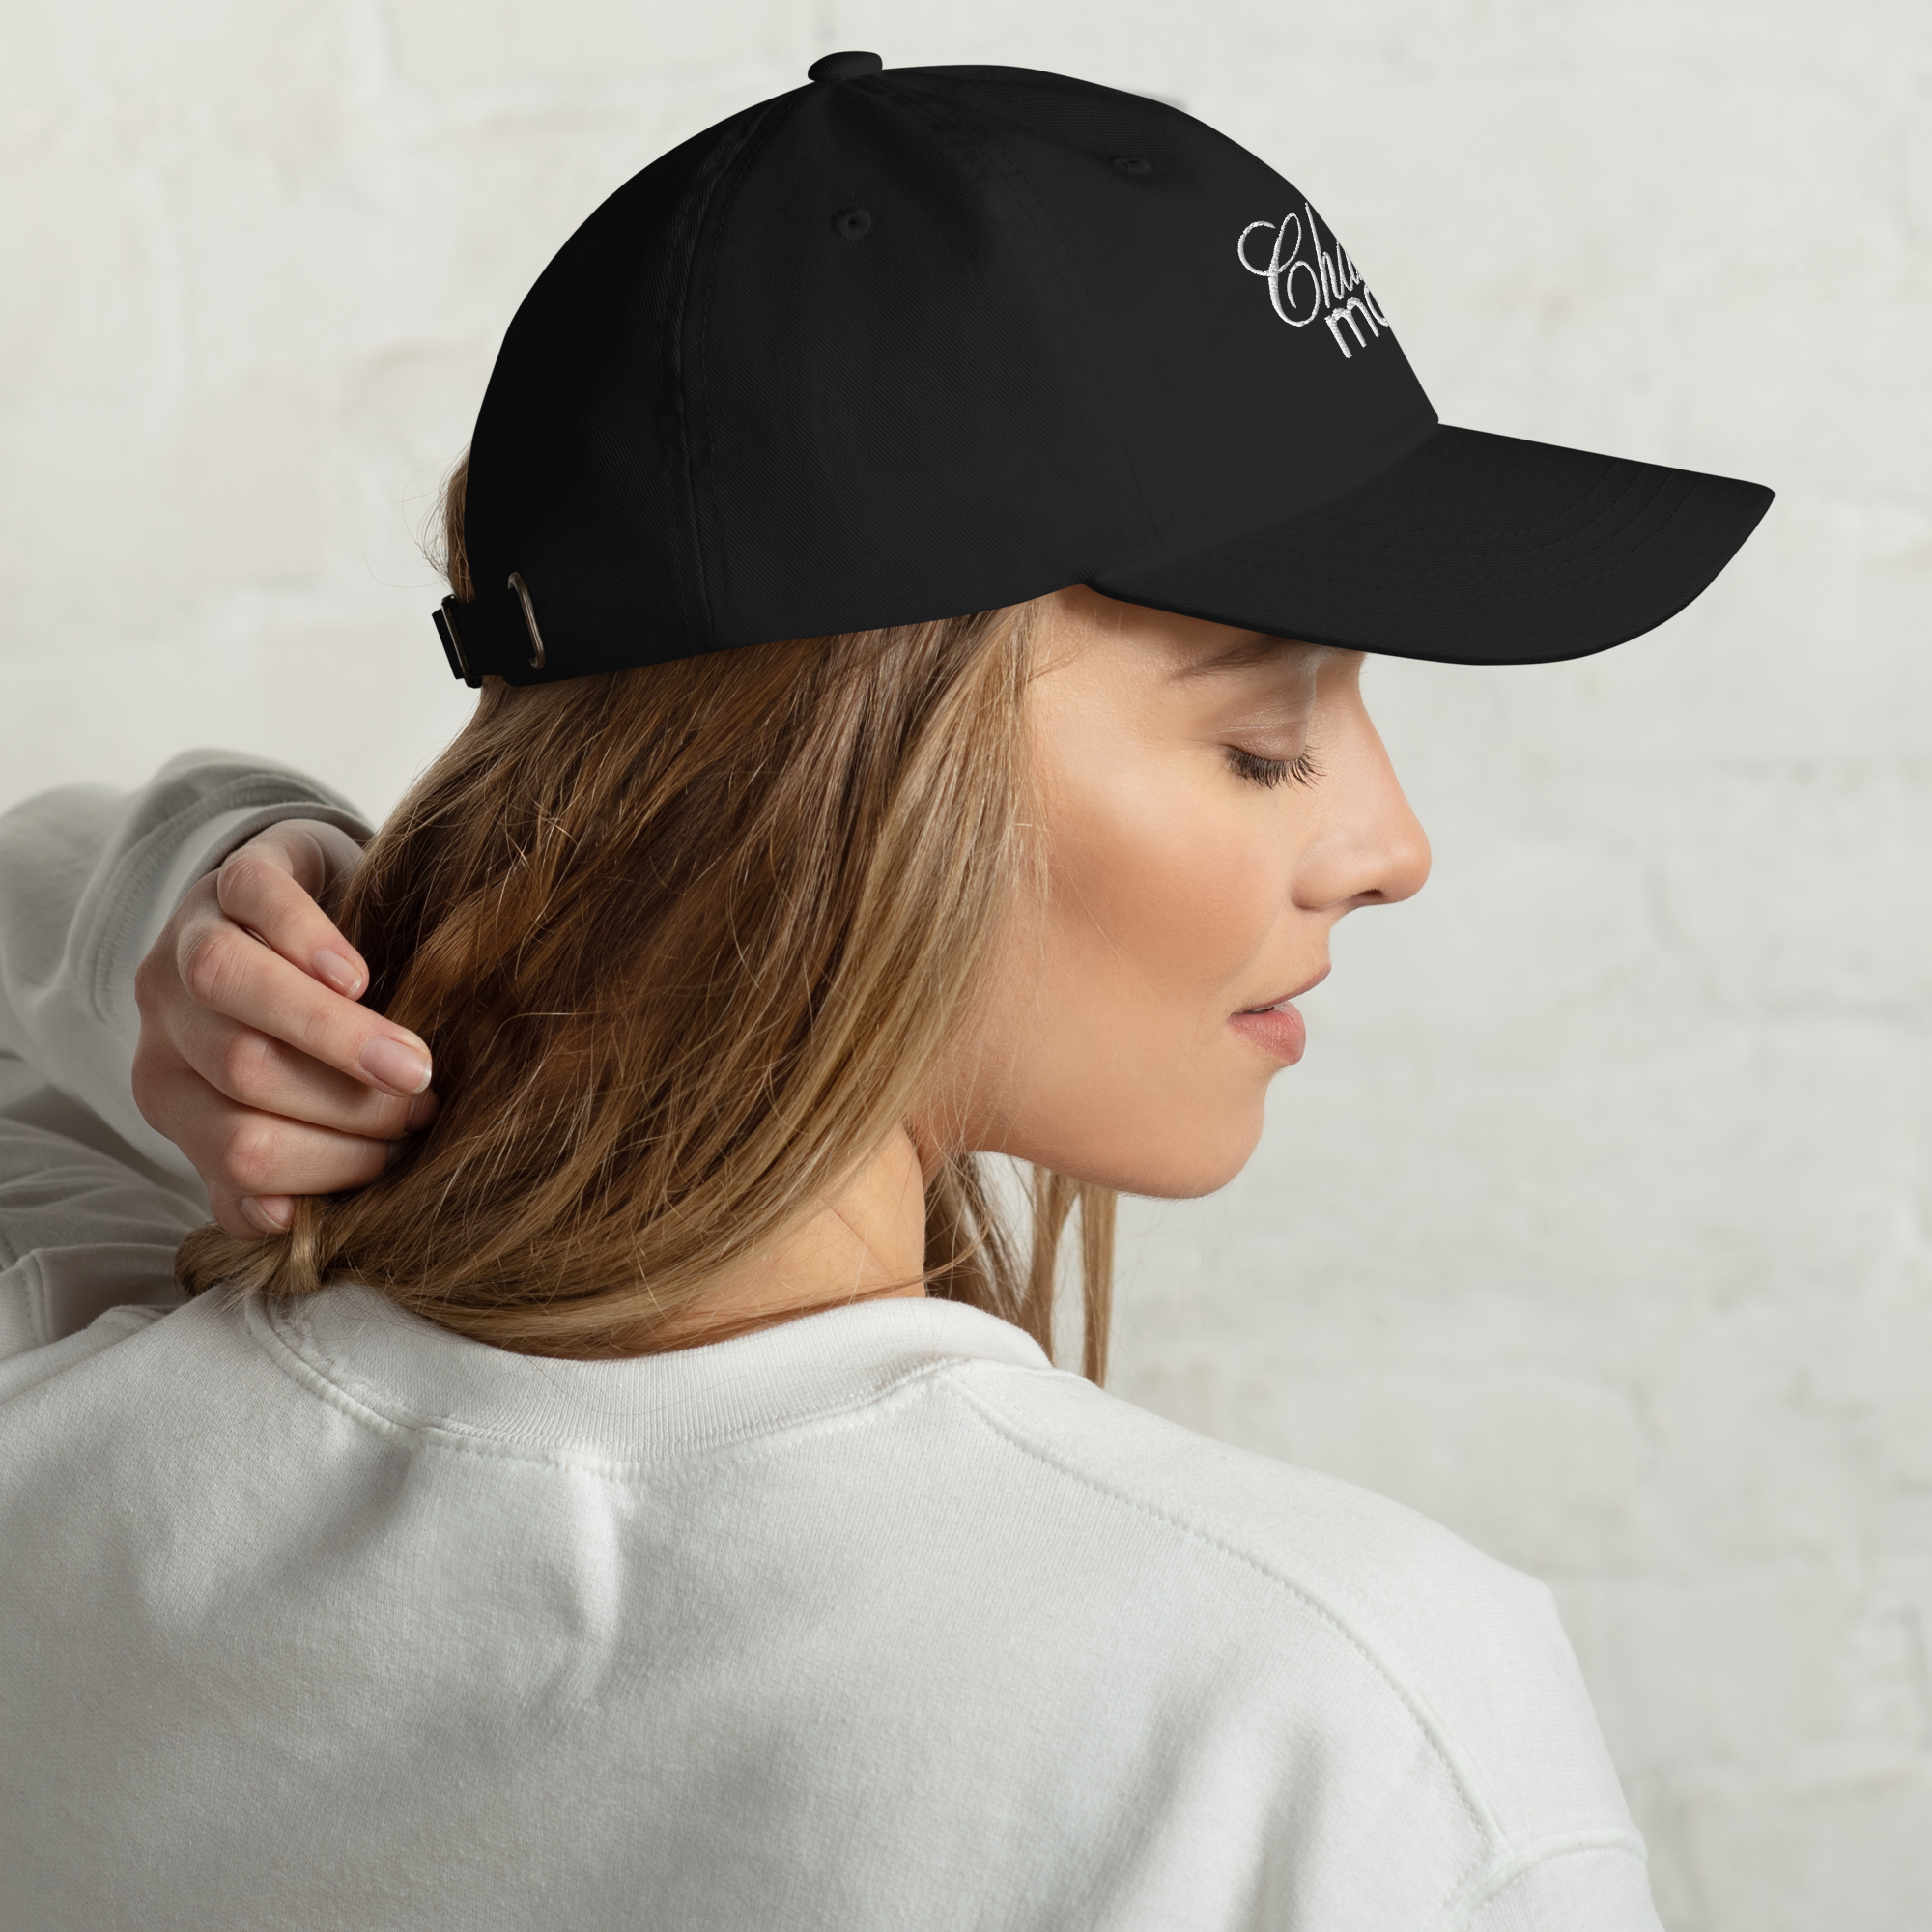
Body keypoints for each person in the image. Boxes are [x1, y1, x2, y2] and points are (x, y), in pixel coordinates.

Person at [0, 56, 1770, 1931]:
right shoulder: (1328, 1728)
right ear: (843, 793)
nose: (1390, 842)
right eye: (1263, 736)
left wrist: (197, 899)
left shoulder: (68, 1427)